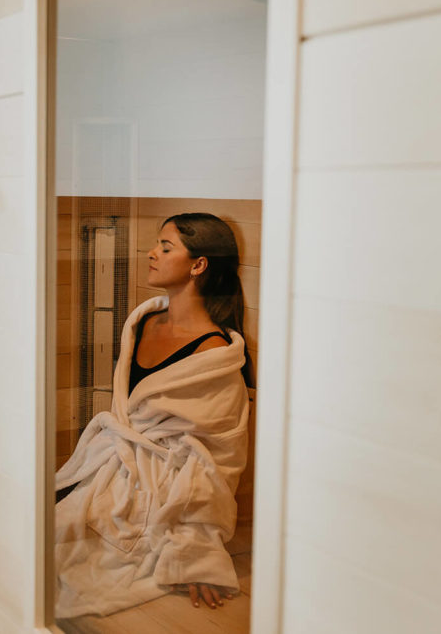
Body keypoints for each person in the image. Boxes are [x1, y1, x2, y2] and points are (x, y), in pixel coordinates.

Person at [55, 212, 251, 619]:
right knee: (37, 524)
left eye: (166, 247)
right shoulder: (142, 321)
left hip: (154, 483)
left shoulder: (213, 354)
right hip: (111, 460)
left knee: (58, 546)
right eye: (156, 245)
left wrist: (194, 549)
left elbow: (215, 459)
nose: (151, 253)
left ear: (198, 265)